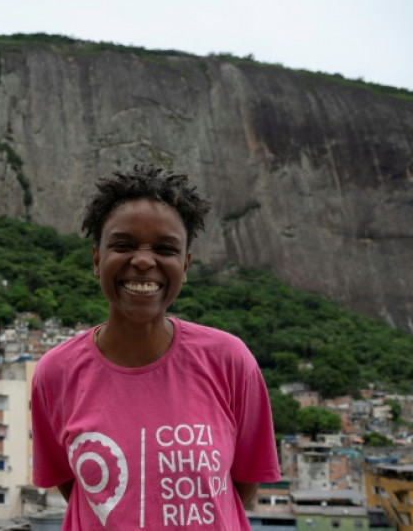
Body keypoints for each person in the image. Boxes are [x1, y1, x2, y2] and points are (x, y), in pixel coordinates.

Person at [31, 164, 280, 530]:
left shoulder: (229, 360)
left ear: (185, 264)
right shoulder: (56, 373)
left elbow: (241, 482)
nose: (144, 261)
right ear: (97, 259)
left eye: (165, 248)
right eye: (123, 245)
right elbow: (80, 489)